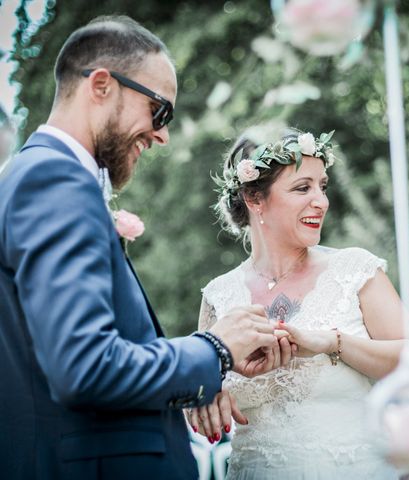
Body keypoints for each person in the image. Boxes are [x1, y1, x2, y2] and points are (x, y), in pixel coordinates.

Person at [0, 16, 280, 480]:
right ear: (102, 86)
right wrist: (215, 349)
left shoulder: (33, 177)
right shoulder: (54, 179)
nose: (162, 134)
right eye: (159, 111)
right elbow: (85, 366)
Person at [188, 128, 409, 479]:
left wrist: (334, 343)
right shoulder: (219, 295)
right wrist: (202, 394)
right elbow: (197, 384)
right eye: (302, 187)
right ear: (254, 198)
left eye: (323, 186)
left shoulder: (355, 271)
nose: (321, 201)